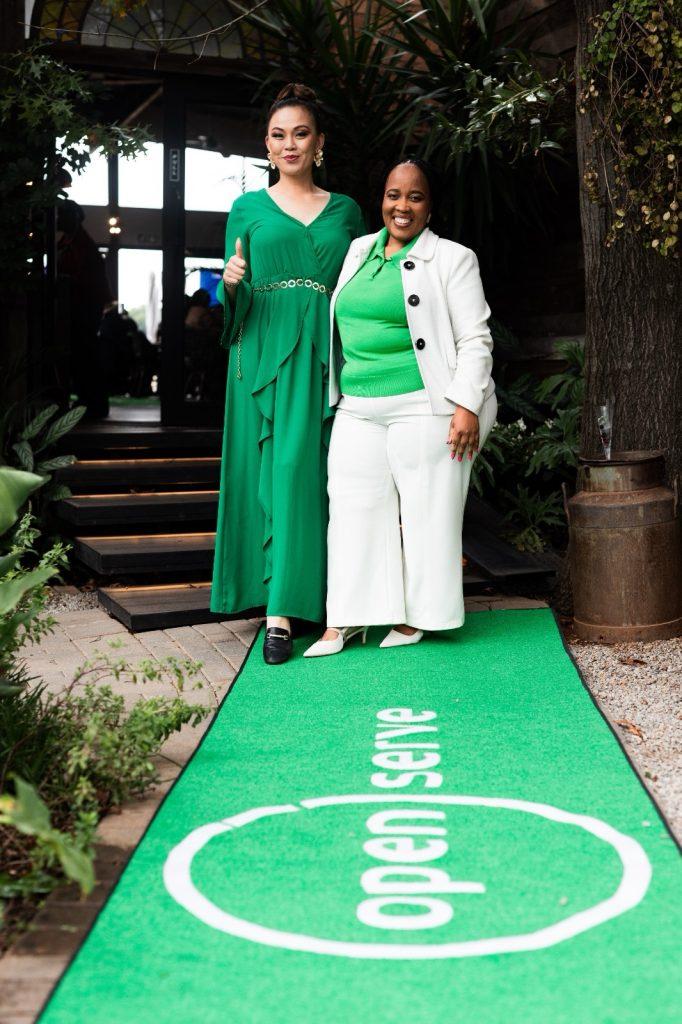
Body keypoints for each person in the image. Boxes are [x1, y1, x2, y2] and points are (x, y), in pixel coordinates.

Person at [305, 158, 497, 657]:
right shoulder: (358, 250)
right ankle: (348, 617)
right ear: (382, 200)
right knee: (351, 509)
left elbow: (475, 338)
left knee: (427, 511)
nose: (402, 206)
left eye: (415, 196)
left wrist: (466, 404)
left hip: (424, 404)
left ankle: (417, 619)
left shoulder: (453, 258)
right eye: (394, 195)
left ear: (430, 207)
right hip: (357, 405)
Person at [211, 83, 365, 665]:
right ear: (267, 146)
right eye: (279, 135)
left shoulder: (346, 210)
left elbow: (359, 289)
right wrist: (230, 285)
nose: (290, 144)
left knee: (323, 475)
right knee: (275, 473)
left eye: (301, 133)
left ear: (319, 142)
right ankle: (277, 613)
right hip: (261, 355)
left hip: (327, 353)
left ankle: (329, 600)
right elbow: (235, 294)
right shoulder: (247, 209)